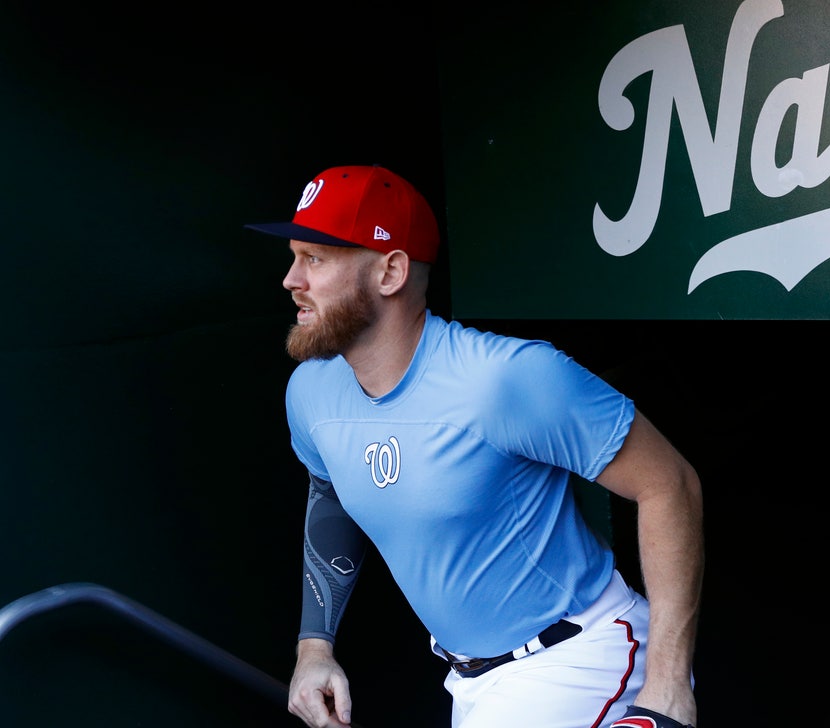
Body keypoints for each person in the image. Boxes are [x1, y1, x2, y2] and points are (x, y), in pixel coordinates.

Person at [244, 164, 703, 728]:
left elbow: (669, 485)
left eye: (315, 259)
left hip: (580, 655)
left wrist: (668, 689)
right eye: (294, 256)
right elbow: (333, 493)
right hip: (471, 685)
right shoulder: (311, 391)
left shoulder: (505, 378)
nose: (292, 280)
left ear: (390, 272)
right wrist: (314, 648)